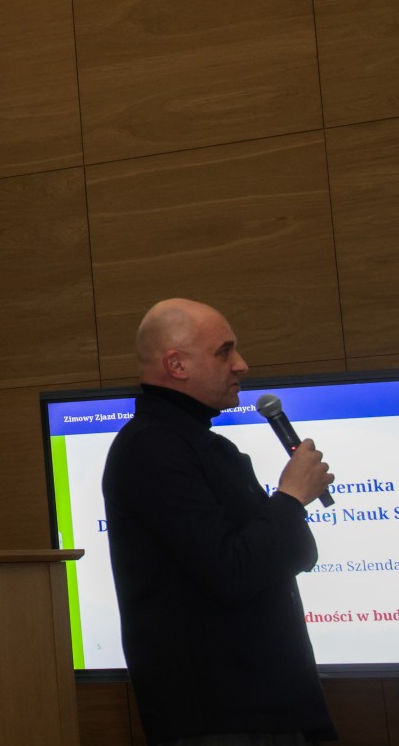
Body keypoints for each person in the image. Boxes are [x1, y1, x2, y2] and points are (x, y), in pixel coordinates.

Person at [103, 298, 337, 745]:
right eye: (224, 351)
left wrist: (289, 508)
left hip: (262, 706)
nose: (241, 364)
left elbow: (297, 554)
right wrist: (290, 497)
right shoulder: (151, 449)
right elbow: (231, 573)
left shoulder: (210, 448)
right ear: (176, 365)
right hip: (220, 718)